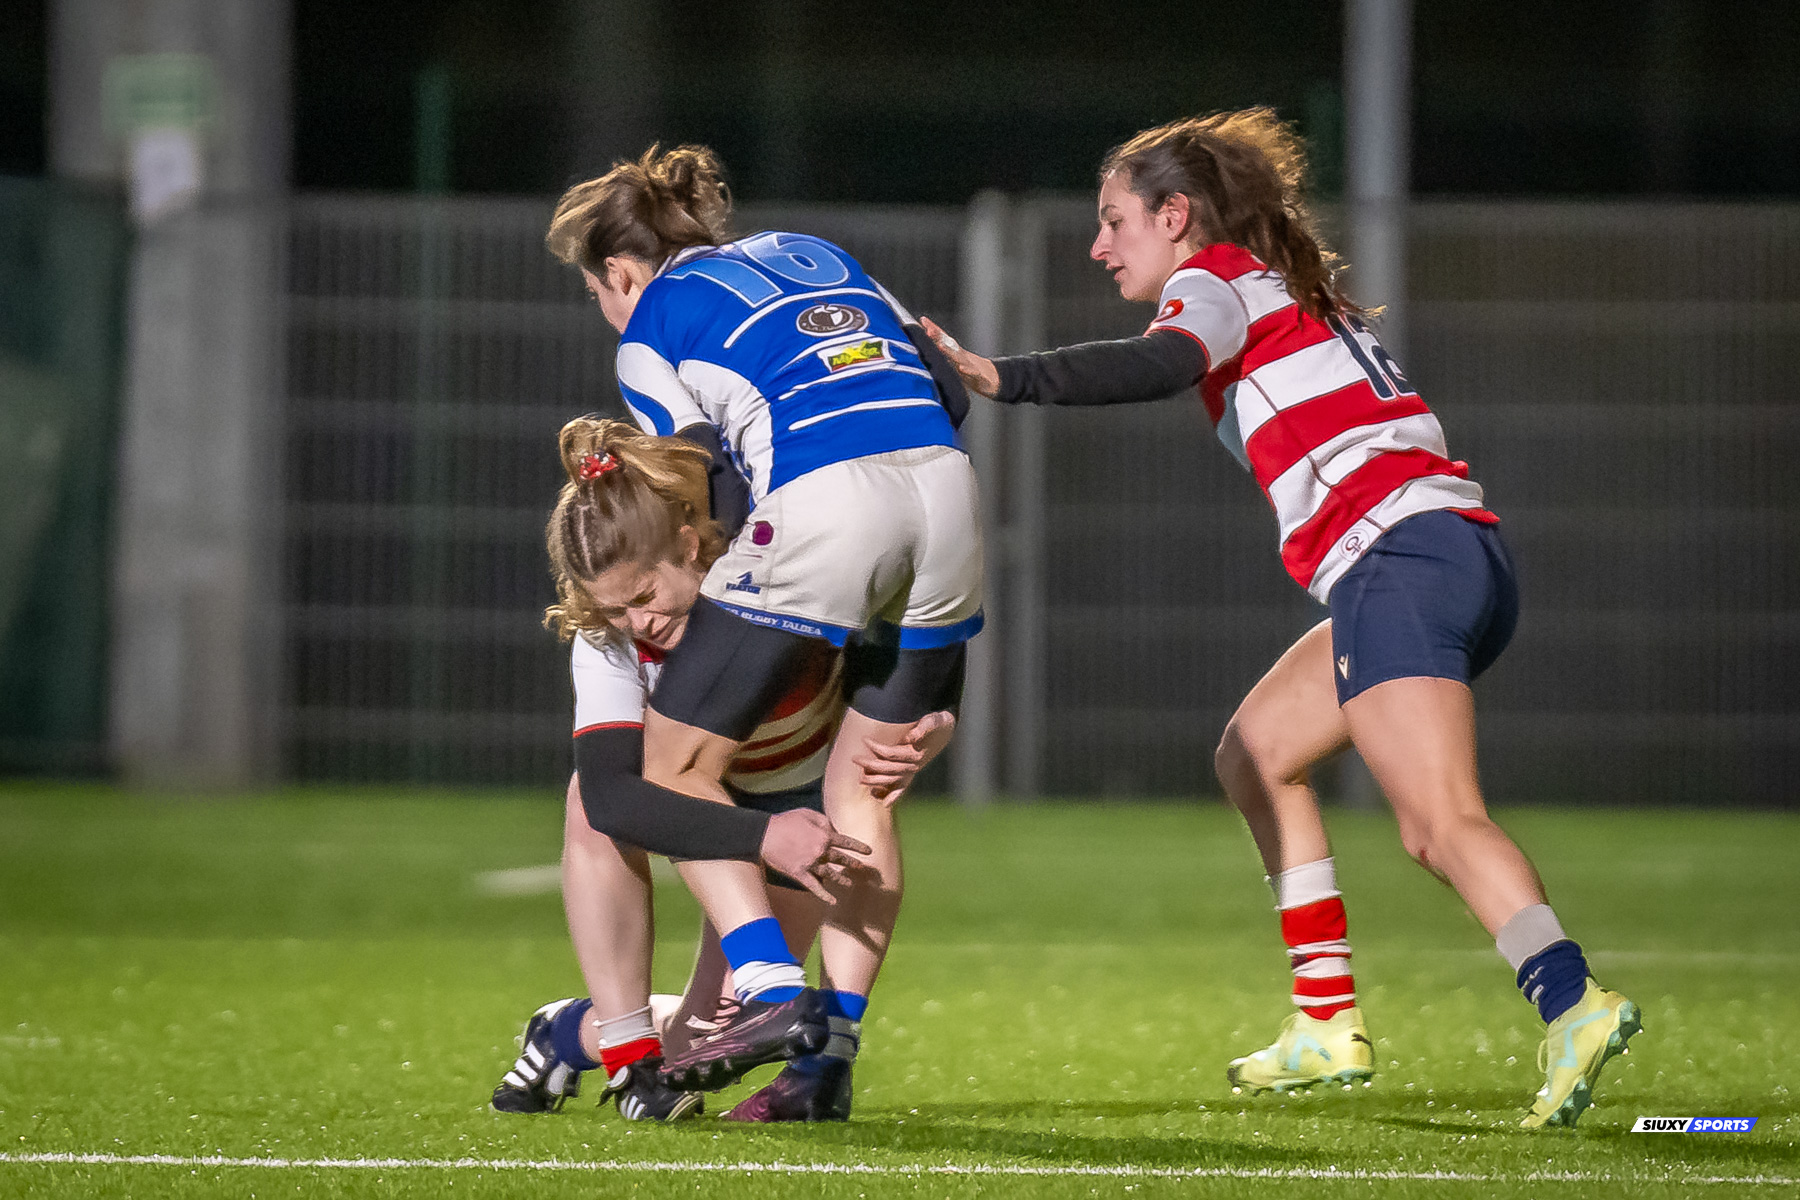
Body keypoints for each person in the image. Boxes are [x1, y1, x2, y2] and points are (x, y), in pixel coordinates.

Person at [922, 108, 1641, 1129]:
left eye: (1116, 218)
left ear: (1176, 216)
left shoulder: (1210, 279)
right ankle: (1324, 1022)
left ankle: (1571, 1002)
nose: (1099, 244)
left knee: (1438, 823)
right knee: (1256, 753)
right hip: (1438, 556)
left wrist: (1005, 377)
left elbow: (1162, 362)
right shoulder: (1281, 288)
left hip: (1399, 557)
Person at [544, 145, 984, 1100]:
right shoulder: (815, 249)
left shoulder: (649, 326)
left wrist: (745, 561)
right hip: (948, 483)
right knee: (864, 784)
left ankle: (770, 987)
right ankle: (827, 1061)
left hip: (825, 496)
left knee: (673, 763)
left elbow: (702, 470)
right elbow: (946, 390)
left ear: (618, 274)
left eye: (601, 294)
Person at [491, 419, 954, 1122]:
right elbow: (619, 796)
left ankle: (563, 1032)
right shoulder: (609, 641)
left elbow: (908, 624)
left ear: (687, 546)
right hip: (717, 825)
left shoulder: (784, 576)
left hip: (794, 814)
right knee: (592, 794)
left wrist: (932, 719)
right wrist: (763, 839)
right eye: (614, 609)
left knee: (703, 1045)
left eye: (643, 596)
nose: (635, 622)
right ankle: (625, 1052)